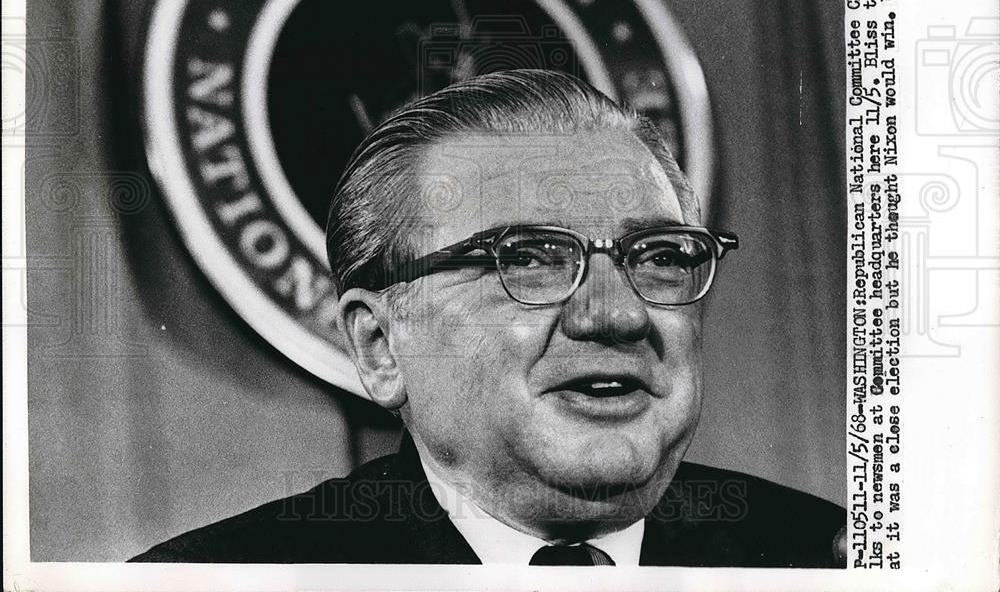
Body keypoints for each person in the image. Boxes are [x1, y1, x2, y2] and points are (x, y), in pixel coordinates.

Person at [132, 69, 846, 566]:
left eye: (657, 253)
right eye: (529, 256)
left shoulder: (833, 555)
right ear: (381, 346)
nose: (618, 312)